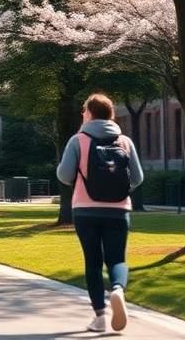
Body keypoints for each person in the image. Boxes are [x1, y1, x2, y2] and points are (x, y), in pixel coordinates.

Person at [57, 93, 144, 334]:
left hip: (85, 210)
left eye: (84, 110)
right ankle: (117, 289)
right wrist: (118, 189)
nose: (82, 114)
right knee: (117, 258)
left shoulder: (78, 139)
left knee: (93, 262)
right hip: (118, 210)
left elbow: (65, 176)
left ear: (91, 113)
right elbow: (137, 178)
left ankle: (100, 318)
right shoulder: (124, 141)